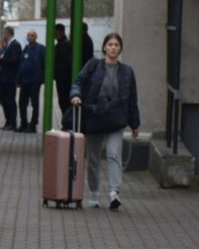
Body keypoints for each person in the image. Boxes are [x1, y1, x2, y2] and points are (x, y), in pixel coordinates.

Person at [70, 33, 140, 210]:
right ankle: (94, 194)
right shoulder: (94, 65)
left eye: (117, 45)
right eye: (110, 44)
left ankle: (113, 192)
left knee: (113, 153)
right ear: (104, 48)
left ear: (120, 49)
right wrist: (76, 95)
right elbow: (78, 81)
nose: (113, 48)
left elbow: (132, 99)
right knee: (93, 158)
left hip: (116, 118)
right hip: (94, 116)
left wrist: (134, 124)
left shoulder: (127, 72)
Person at [17, 29, 45, 133]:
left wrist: (42, 79)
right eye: (28, 35)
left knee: (34, 103)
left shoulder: (41, 49)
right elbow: (21, 64)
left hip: (34, 81)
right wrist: (19, 79)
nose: (30, 37)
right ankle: (23, 123)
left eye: (32, 35)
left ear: (36, 37)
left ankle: (33, 124)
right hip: (24, 81)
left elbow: (44, 64)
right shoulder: (25, 49)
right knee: (22, 102)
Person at [0, 26, 21, 131]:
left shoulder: (15, 45)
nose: (3, 35)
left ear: (8, 33)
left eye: (4, 33)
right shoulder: (8, 45)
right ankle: (8, 121)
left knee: (10, 100)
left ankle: (12, 122)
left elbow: (14, 61)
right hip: (3, 77)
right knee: (4, 99)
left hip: (10, 78)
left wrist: (1, 60)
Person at [53, 23, 73, 116]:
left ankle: (67, 121)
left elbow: (69, 62)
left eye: (56, 33)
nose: (55, 35)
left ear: (61, 32)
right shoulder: (60, 45)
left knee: (64, 101)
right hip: (61, 77)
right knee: (62, 101)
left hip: (64, 78)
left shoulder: (65, 45)